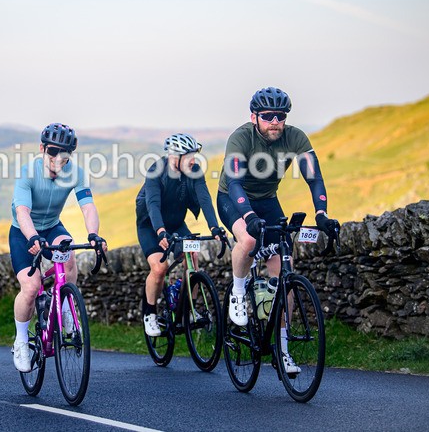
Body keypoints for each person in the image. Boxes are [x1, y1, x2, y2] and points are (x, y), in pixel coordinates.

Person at [217, 86, 340, 373]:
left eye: (280, 115)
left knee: (285, 264)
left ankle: (282, 350)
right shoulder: (240, 137)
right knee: (248, 240)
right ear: (254, 117)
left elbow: (314, 177)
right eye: (268, 115)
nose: (275, 121)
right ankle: (238, 292)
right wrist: (247, 215)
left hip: (268, 200)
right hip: (233, 198)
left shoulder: (295, 137)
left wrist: (321, 214)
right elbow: (234, 182)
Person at [9, 123, 107, 372]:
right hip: (24, 232)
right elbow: (22, 212)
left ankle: (65, 308)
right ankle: (21, 340)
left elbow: (88, 206)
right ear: (42, 148)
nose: (57, 160)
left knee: (68, 255)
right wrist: (32, 238)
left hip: (52, 226)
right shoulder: (27, 172)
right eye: (52, 153)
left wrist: (94, 234)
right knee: (31, 288)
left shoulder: (76, 172)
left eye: (64, 155)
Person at [135, 134, 226, 337]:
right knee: (160, 268)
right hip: (150, 225)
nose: (193, 160)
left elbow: (204, 198)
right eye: (189, 156)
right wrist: (160, 231)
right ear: (174, 157)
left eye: (194, 155)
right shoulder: (156, 171)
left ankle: (188, 310)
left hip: (176, 224)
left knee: (192, 260)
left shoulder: (193, 171)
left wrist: (215, 228)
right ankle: (149, 314)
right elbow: (153, 205)